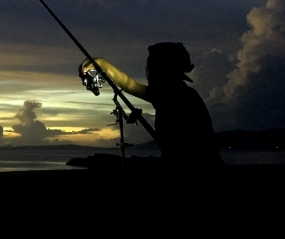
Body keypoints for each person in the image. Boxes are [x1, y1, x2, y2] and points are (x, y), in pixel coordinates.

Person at [79, 42, 223, 169]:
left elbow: (185, 156)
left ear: (161, 70)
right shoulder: (168, 94)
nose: (147, 72)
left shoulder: (180, 99)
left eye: (149, 66)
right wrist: (101, 63)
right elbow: (129, 85)